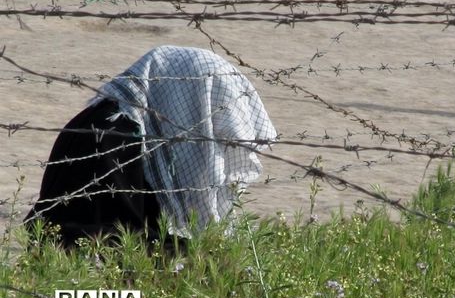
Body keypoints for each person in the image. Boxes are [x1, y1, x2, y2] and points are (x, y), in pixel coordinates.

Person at [25, 46, 277, 248]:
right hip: (83, 290)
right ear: (191, 101)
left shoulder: (120, 123)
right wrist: (198, 254)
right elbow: (119, 240)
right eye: (211, 114)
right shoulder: (113, 138)